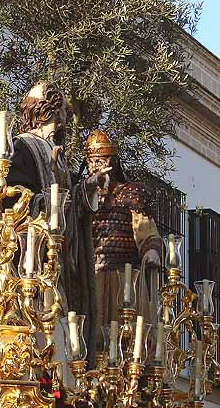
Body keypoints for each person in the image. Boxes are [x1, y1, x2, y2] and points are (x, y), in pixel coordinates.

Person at [7, 81, 110, 364]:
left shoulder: (57, 155)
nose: (58, 126)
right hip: (35, 259)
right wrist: (49, 204)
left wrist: (88, 187)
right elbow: (15, 199)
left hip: (63, 261)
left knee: (63, 323)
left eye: (59, 118)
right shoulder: (22, 148)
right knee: (41, 323)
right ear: (39, 115)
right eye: (53, 118)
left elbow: (69, 197)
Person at [84, 130, 162, 348]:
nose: (95, 166)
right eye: (90, 161)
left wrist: (151, 249)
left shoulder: (131, 193)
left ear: (112, 161)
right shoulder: (82, 196)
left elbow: (145, 229)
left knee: (127, 343)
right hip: (91, 278)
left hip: (125, 279)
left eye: (100, 160)